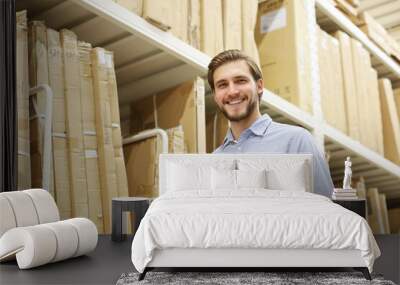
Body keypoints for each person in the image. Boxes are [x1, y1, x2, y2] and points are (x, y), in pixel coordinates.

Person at [208, 49, 334, 197]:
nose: (232, 91)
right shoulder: (214, 160)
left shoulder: (296, 141)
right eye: (222, 85)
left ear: (259, 86)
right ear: (216, 96)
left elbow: (328, 210)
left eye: (240, 81)